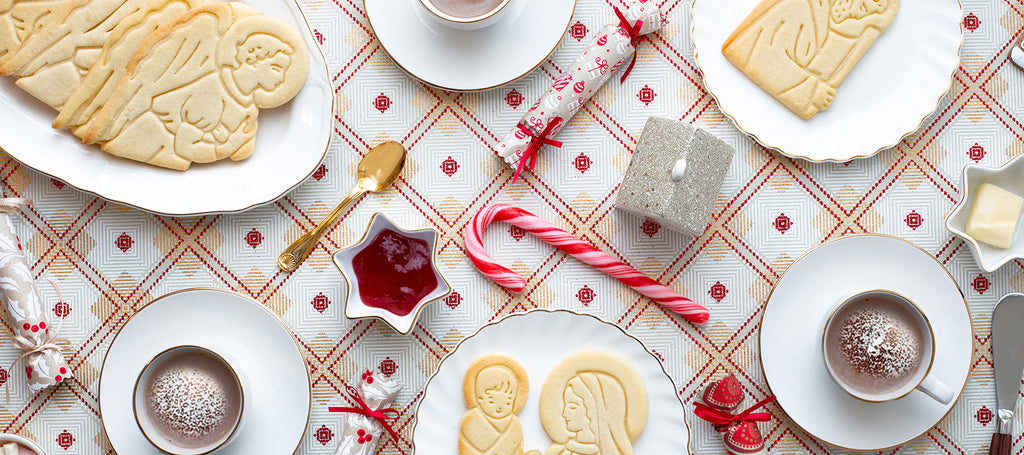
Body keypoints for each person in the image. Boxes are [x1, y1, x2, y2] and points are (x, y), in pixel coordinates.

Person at [102, 32, 294, 169]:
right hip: (150, 147)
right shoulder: (212, 98)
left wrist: (236, 143)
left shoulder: (247, 103)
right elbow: (185, 148)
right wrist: (228, 145)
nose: (281, 78)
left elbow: (243, 148)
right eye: (276, 68)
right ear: (253, 61)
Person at [721, 0, 898, 119]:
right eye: (864, 6)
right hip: (741, 95)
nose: (862, 13)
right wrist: (811, 91)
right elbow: (755, 56)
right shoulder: (802, 7)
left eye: (870, 9)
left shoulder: (854, 28)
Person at [533, 373, 633, 455]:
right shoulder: (559, 452)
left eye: (572, 407)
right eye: (565, 407)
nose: (564, 414)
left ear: (593, 411)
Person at [459, 363, 527, 455]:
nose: (500, 407)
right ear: (479, 398)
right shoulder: (472, 419)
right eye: (491, 402)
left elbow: (516, 448)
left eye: (507, 403)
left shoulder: (514, 424)